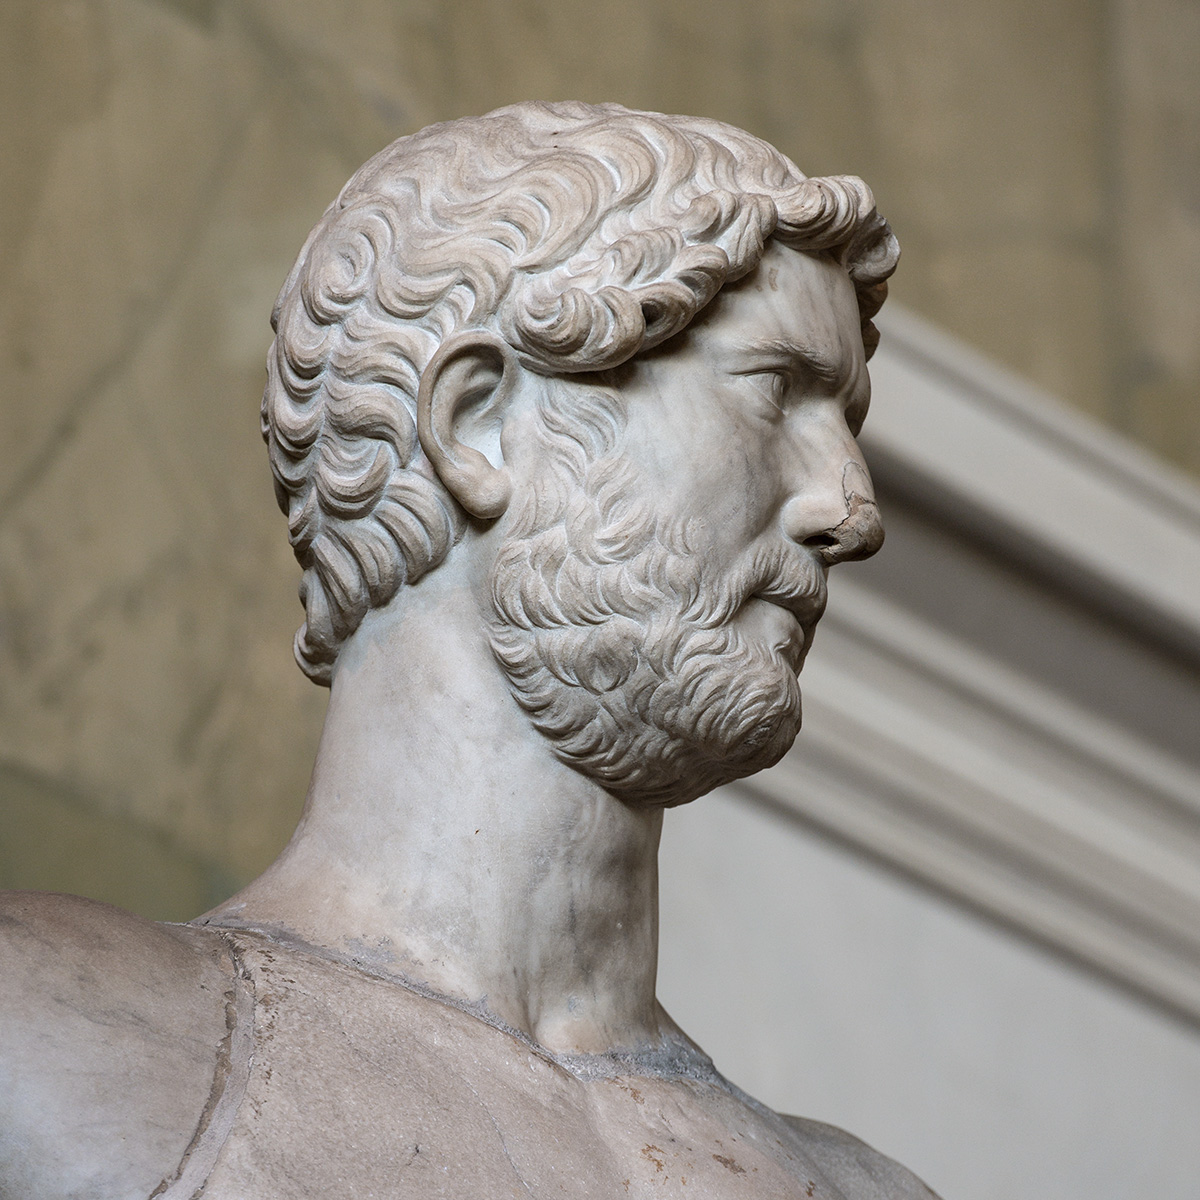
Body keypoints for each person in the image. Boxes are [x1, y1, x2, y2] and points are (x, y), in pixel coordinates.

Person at [0, 101, 937, 1198]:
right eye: (776, 391)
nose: (851, 509)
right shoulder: (53, 1050)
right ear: (480, 424)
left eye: (849, 423)